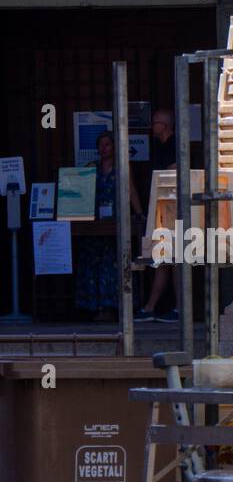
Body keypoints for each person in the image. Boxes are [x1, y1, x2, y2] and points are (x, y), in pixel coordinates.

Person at [76, 131, 143, 321]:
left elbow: (131, 190)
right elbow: (80, 191)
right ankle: (95, 307)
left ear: (115, 147)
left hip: (116, 222)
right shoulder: (91, 168)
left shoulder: (122, 167)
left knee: (113, 264)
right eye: (100, 145)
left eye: (107, 144)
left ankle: (113, 308)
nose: (103, 148)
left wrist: (139, 214)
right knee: (92, 264)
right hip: (94, 224)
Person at [136, 109, 179, 323]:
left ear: (166, 125)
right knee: (164, 258)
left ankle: (170, 308)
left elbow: (173, 173)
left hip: (170, 209)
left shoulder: (172, 146)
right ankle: (152, 307)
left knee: (173, 258)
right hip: (163, 209)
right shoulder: (161, 146)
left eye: (155, 122)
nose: (152, 126)